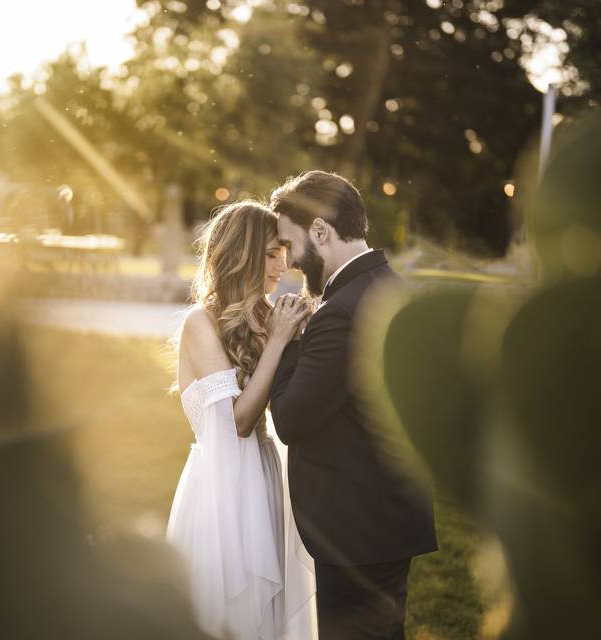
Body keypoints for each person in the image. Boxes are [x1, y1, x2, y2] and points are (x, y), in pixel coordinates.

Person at [268, 171, 437, 640]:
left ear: (321, 232)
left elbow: (290, 419)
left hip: (354, 529)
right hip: (384, 516)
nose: (290, 261)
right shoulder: (391, 286)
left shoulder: (341, 311)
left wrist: (284, 342)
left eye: (290, 244)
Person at [166, 200, 319, 640]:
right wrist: (278, 342)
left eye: (283, 252)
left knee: (268, 616)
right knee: (230, 614)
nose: (283, 264)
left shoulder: (267, 317)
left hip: (267, 474)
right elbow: (237, 423)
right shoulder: (201, 323)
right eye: (272, 253)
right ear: (242, 253)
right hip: (224, 486)